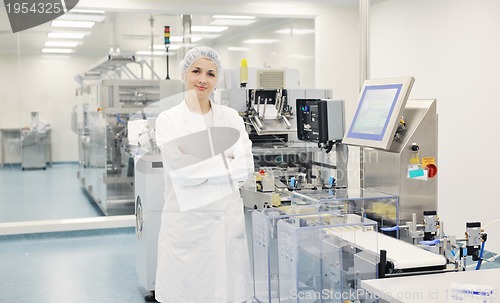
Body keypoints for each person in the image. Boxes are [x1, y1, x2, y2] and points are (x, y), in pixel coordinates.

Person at [154, 46, 254, 303]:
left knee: (227, 292)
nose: (202, 79)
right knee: (187, 293)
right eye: (196, 71)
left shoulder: (231, 117)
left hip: (226, 225)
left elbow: (244, 167)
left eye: (210, 73)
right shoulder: (169, 120)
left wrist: (203, 163)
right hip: (189, 227)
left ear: (217, 79)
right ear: (184, 75)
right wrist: (225, 161)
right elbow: (185, 172)